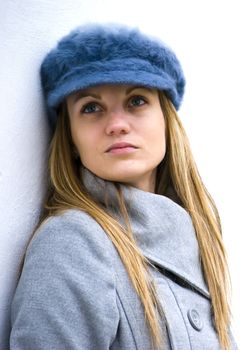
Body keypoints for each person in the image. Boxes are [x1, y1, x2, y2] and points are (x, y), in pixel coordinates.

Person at [10, 23, 235, 350]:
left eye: (137, 101)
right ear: (71, 138)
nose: (116, 125)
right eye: (91, 107)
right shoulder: (73, 243)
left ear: (166, 121)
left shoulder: (201, 239)